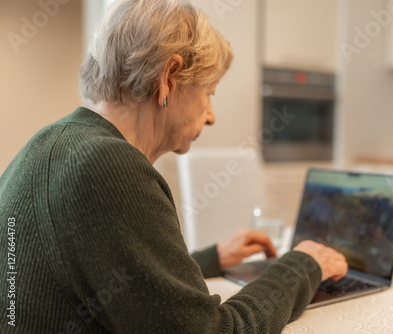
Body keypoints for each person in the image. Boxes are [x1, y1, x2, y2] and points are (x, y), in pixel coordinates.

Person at [0, 0, 348, 333]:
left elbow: (117, 282)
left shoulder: (48, 144)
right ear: (169, 77)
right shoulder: (108, 166)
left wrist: (211, 258)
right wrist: (302, 265)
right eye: (209, 92)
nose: (211, 116)